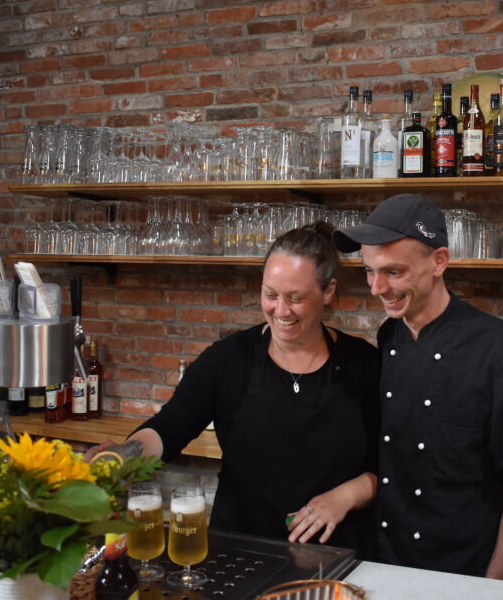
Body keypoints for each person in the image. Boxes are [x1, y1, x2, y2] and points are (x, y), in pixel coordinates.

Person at [333, 194, 503, 580]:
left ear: (439, 261)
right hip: (389, 561)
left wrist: (494, 589)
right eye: (368, 271)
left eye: (393, 272)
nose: (376, 288)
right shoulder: (391, 334)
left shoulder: (498, 347)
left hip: (465, 571)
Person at [122, 221, 380, 556]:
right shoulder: (228, 360)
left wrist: (344, 497)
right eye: (270, 295)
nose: (281, 310)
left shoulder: (365, 365)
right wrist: (123, 457)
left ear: (328, 292)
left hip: (340, 555)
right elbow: (168, 429)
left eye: (296, 298)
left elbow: (391, 465)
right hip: (240, 549)